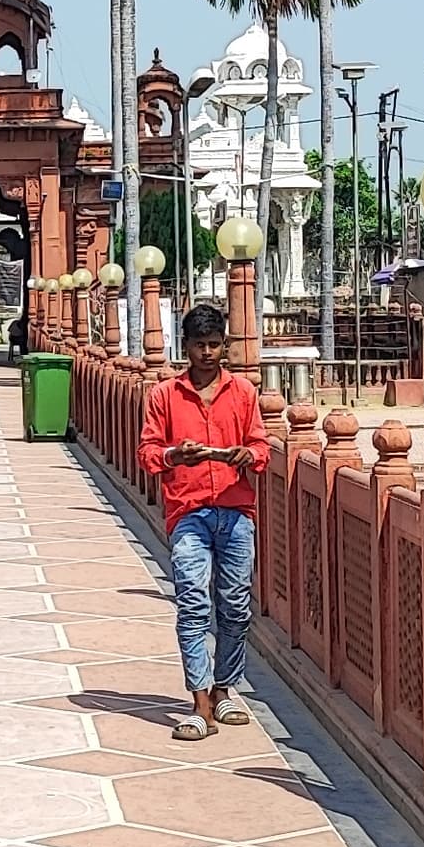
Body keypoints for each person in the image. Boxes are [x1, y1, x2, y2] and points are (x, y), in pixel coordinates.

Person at [137, 300, 269, 740]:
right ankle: (199, 704)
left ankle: (224, 688)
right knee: (193, 602)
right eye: (199, 346)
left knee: (235, 605)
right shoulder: (164, 396)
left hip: (236, 510)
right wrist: (177, 454)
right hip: (188, 510)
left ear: (225, 346)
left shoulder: (244, 394)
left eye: (214, 345)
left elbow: (262, 448)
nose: (207, 353)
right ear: (186, 347)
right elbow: (149, 453)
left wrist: (245, 454)